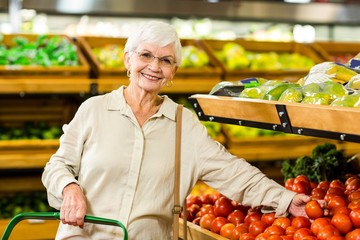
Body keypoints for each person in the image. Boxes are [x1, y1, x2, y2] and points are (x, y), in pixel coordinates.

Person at [41, 21, 319, 239]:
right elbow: (57, 166)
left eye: (165, 61)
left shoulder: (184, 124)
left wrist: (286, 199)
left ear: (173, 72)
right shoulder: (95, 110)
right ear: (128, 60)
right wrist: (69, 188)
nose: (154, 66)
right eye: (146, 55)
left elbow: (233, 172)